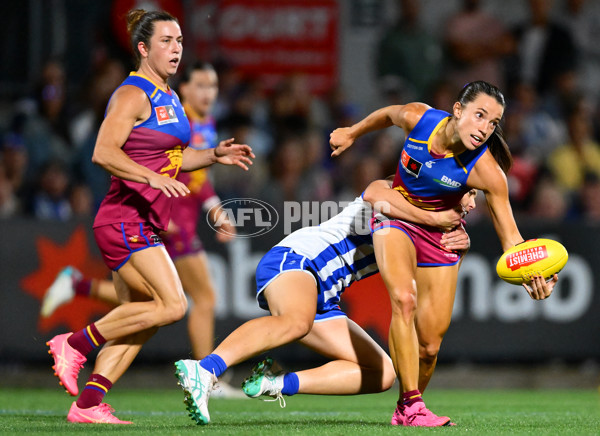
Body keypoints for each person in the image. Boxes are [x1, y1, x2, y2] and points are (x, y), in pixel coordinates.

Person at [45, 9, 254, 424]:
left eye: (179, 41)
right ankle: (75, 344)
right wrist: (151, 179)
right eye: (166, 41)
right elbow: (103, 151)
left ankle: (87, 405)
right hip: (124, 218)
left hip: (143, 221)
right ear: (143, 48)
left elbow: (176, 156)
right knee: (174, 305)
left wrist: (212, 155)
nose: (176, 49)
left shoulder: (171, 96)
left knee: (141, 319)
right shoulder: (132, 94)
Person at [329, 80, 559, 426]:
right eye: (479, 115)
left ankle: (406, 408)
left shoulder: (487, 172)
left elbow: (512, 239)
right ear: (457, 110)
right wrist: (352, 131)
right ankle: (411, 406)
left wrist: (533, 274)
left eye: (493, 123)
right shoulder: (418, 118)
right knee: (404, 300)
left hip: (440, 237)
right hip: (398, 217)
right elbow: (388, 115)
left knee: (430, 347)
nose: (484, 128)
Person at [173, 178, 473, 426]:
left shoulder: (435, 232)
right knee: (295, 322)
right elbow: (372, 192)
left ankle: (275, 383)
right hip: (299, 260)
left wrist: (457, 250)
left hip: (327, 294)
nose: (472, 204)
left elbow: (429, 289)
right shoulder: (398, 191)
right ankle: (205, 369)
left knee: (383, 373)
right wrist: (434, 219)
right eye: (470, 193)